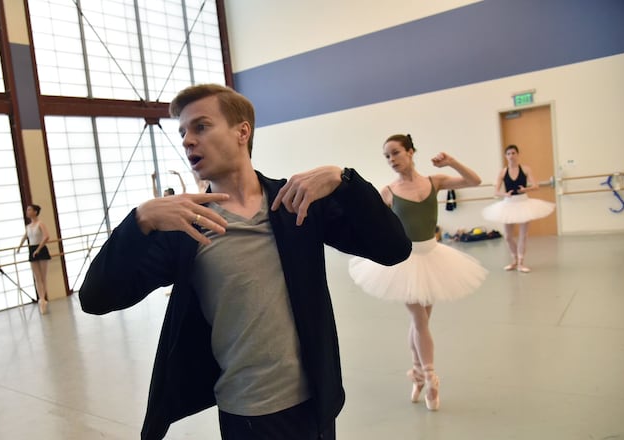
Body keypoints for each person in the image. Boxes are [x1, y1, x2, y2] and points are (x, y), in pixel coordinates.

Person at [79, 84, 412, 440]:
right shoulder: (186, 226)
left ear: (242, 131)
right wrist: (139, 221)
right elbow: (96, 298)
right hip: (246, 416)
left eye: (201, 127)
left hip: (316, 406)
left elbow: (393, 249)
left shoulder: (294, 204)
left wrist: (345, 181)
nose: (188, 140)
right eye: (183, 133)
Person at [348, 134, 488, 411]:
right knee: (419, 320)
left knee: (420, 322)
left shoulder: (435, 182)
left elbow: (474, 181)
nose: (391, 160)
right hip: (405, 261)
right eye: (387, 156)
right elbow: (369, 221)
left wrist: (451, 162)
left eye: (396, 153)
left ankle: (417, 374)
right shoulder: (388, 190)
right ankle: (432, 378)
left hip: (433, 257)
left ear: (411, 152)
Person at [482, 144, 555, 272]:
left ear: (517, 154)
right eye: (509, 154)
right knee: (508, 236)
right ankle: (514, 260)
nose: (511, 156)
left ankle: (521, 262)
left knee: (523, 235)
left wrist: (525, 189)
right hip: (508, 203)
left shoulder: (526, 169)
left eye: (513, 153)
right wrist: (505, 194)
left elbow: (536, 186)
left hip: (523, 203)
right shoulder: (503, 172)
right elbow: (496, 191)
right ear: (506, 156)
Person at [16, 204, 51, 314]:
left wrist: (39, 249)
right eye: (27, 210)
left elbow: (46, 236)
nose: (28, 211)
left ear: (35, 212)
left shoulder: (40, 224)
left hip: (40, 249)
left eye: (30, 209)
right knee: (37, 277)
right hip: (32, 249)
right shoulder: (28, 226)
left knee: (43, 276)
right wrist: (19, 247)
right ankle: (41, 299)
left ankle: (43, 298)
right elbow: (25, 236)